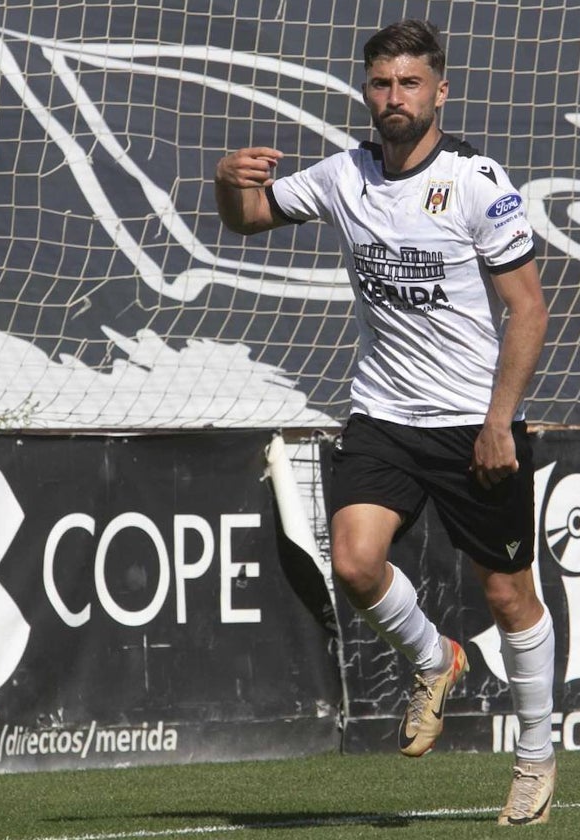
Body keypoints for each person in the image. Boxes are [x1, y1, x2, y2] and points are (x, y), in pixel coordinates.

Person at [213, 19, 554, 826]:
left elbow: (528, 309)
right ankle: (436, 659)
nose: (392, 98)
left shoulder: (476, 181)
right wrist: (229, 179)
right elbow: (248, 218)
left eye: (409, 83)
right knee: (357, 564)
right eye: (379, 84)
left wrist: (499, 422)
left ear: (441, 90)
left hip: (473, 424)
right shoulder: (344, 175)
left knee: (509, 596)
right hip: (384, 416)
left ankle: (536, 762)